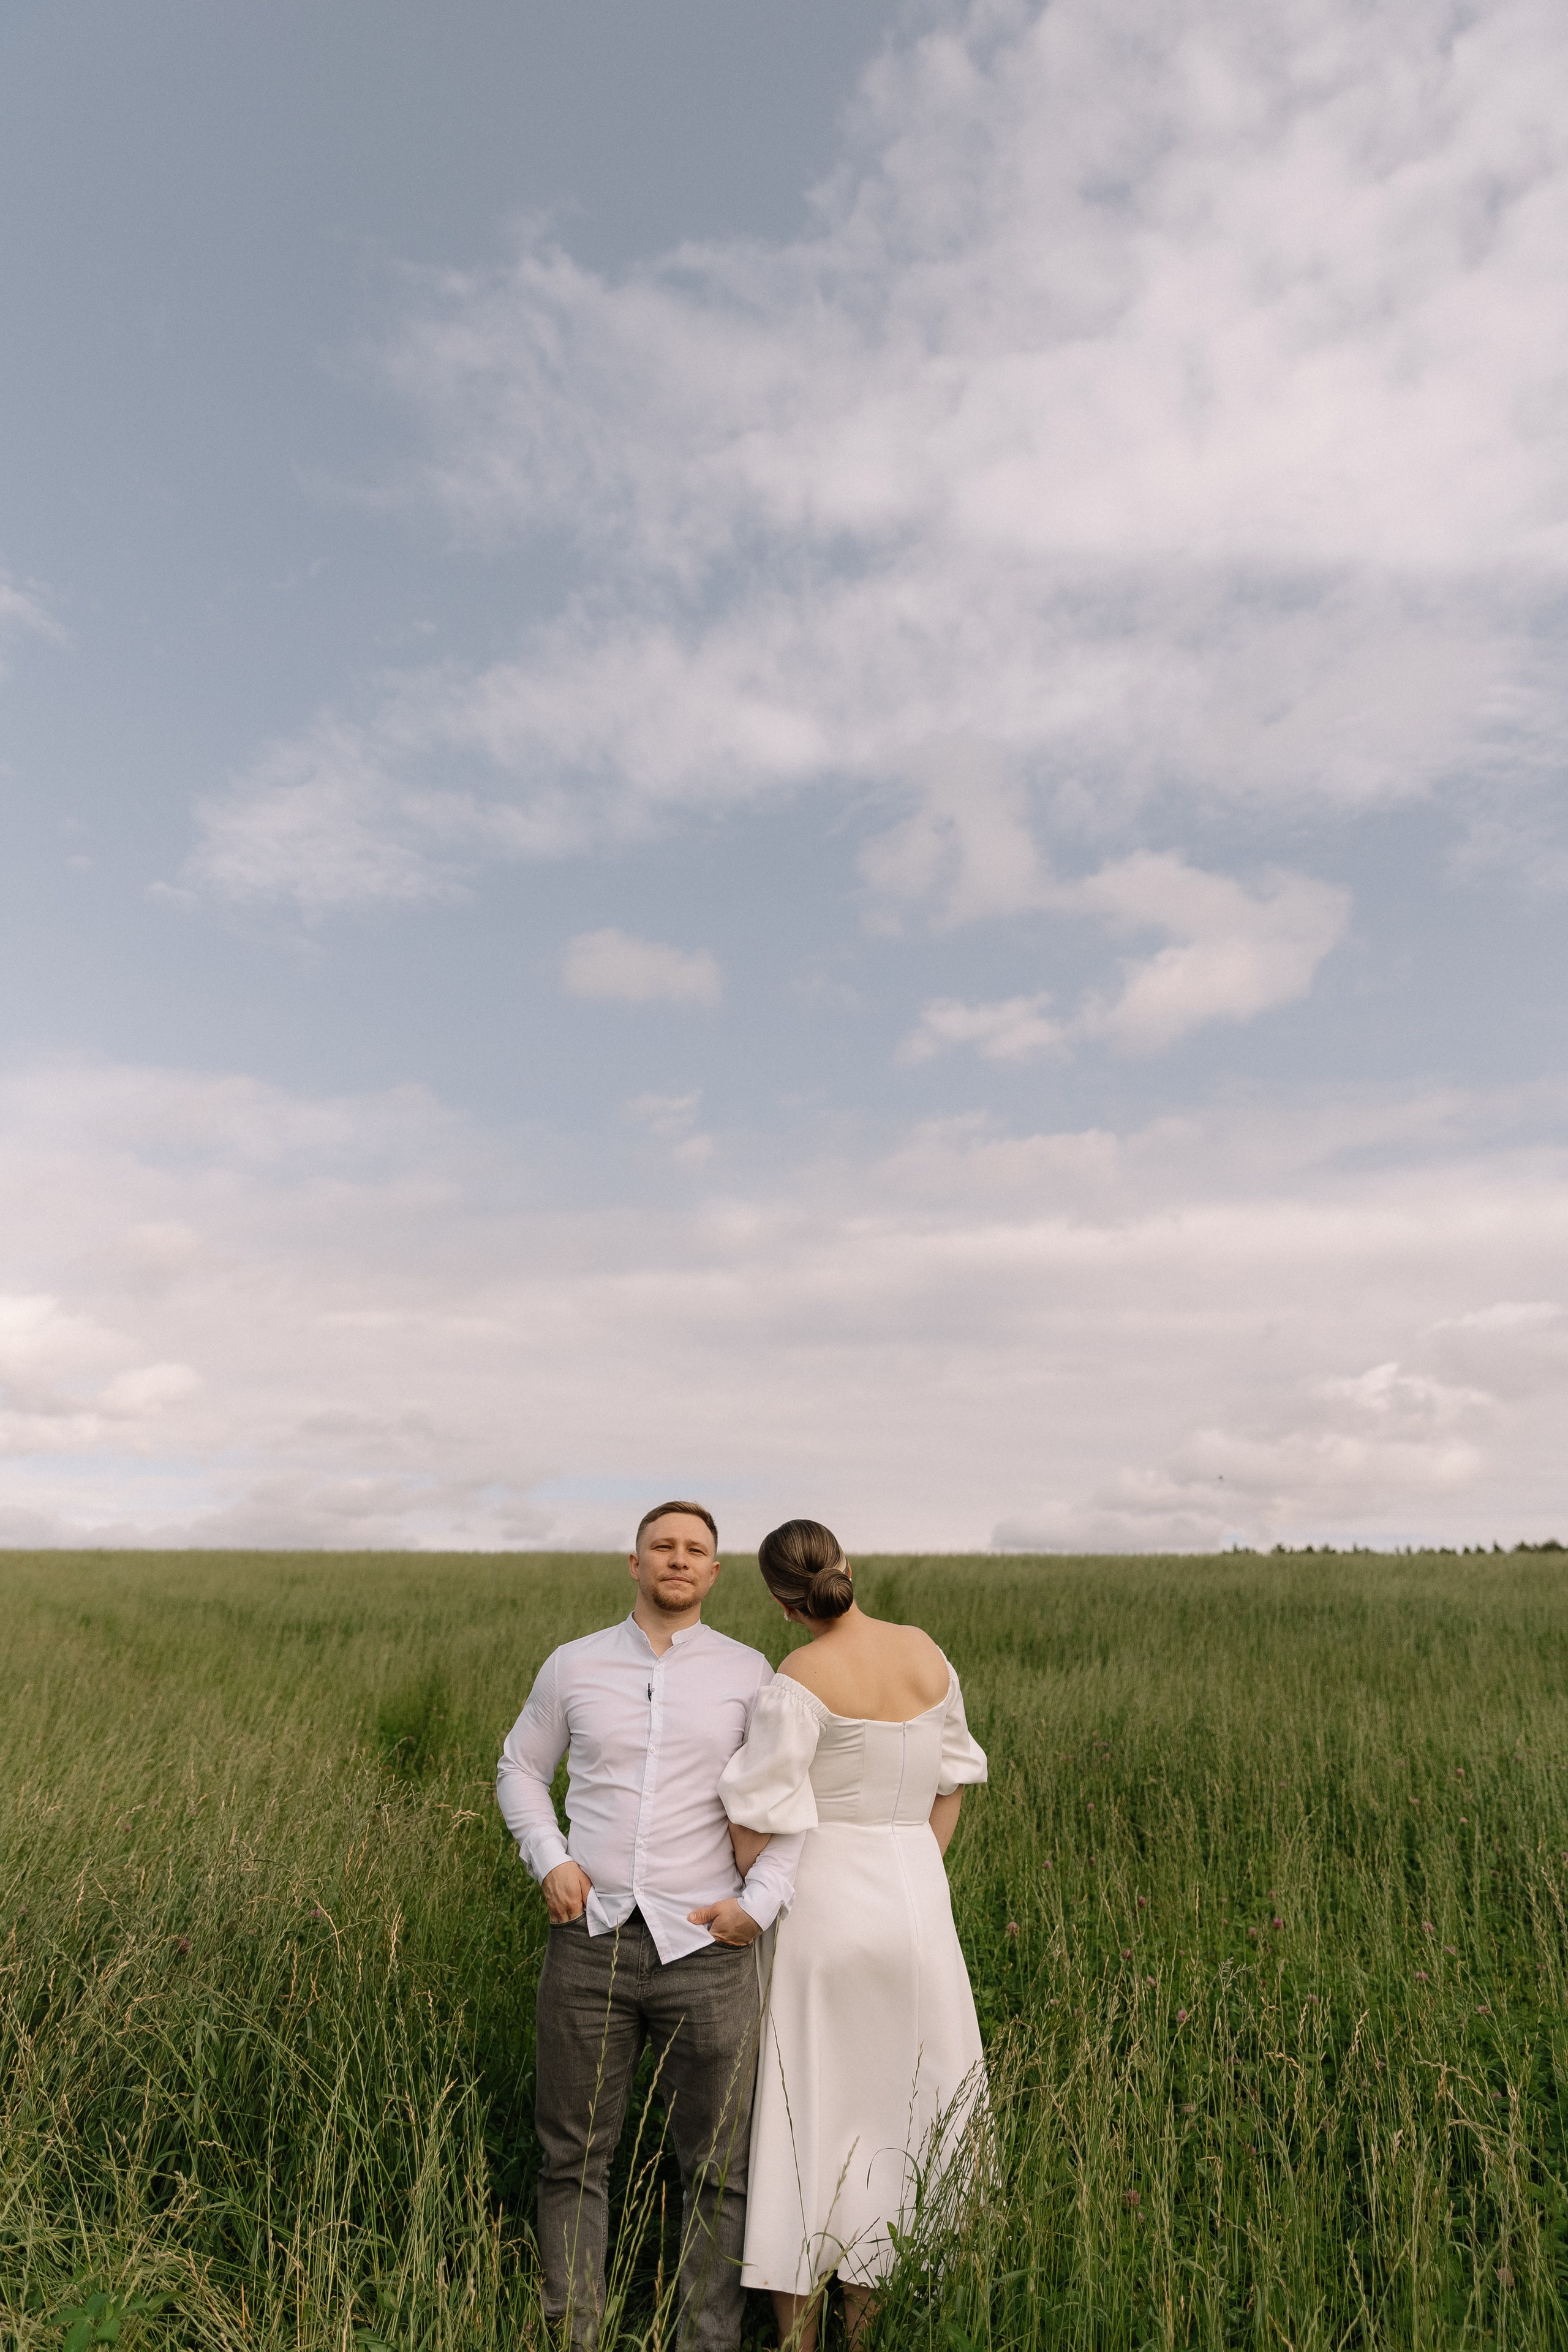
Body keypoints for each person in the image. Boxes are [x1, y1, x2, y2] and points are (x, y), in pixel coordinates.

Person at [497, 1501, 804, 2352]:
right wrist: (549, 1856)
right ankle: (576, 2336)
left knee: (716, 2169)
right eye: (661, 1546)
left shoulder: (752, 1674)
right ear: (632, 1564)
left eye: (694, 1550)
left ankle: (705, 2341)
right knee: (573, 2157)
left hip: (708, 1949)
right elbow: (521, 1769)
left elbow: (788, 1809)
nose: (677, 1559)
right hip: (589, 1940)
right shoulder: (574, 1666)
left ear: (713, 1574)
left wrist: (759, 1906)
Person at [717, 1520, 988, 2352]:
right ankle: (861, 2336)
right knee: (889, 2115)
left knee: (811, 2114)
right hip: (916, 1906)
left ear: (778, 1600)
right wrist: (917, 1866)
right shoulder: (925, 1653)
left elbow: (754, 1827)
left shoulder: (798, 1677)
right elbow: (956, 1779)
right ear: (847, 1569)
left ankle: (797, 2340)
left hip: (823, 1905)